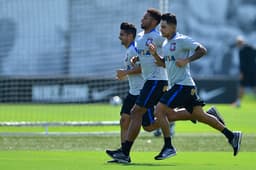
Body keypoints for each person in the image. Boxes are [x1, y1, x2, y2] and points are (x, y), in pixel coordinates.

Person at [106, 9, 224, 164]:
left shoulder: (158, 37)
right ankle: (203, 115)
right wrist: (137, 58)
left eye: (146, 17)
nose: (142, 19)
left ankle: (125, 152)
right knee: (150, 123)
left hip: (158, 81)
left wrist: (181, 59)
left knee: (137, 113)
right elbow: (145, 55)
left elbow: (172, 44)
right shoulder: (141, 37)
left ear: (154, 22)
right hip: (149, 82)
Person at [147, 13, 242, 160]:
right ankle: (231, 135)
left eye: (164, 27)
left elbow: (202, 50)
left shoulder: (182, 40)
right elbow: (165, 64)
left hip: (183, 85)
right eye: (161, 27)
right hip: (182, 86)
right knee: (182, 115)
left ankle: (168, 146)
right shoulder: (165, 44)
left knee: (159, 110)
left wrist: (187, 60)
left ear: (173, 27)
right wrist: (154, 54)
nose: (161, 30)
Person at [232, 36, 256, 107]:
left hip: (249, 72)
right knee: (244, 87)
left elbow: (243, 63)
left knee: (245, 87)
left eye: (239, 43)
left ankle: (238, 102)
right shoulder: (248, 48)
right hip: (251, 71)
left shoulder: (246, 49)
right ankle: (238, 102)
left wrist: (242, 73)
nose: (238, 44)